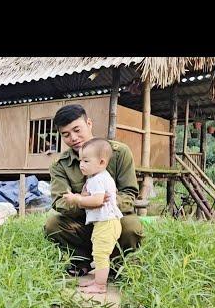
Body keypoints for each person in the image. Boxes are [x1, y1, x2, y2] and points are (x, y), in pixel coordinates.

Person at [45, 104, 143, 276]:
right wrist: (87, 203)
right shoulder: (59, 165)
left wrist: (102, 204)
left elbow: (129, 194)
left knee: (132, 226)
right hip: (83, 223)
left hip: (113, 220)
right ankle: (81, 260)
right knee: (53, 225)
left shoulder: (118, 153)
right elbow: (59, 202)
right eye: (66, 135)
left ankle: (116, 263)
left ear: (89, 123)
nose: (73, 138)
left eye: (77, 130)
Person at [62, 138, 122, 294]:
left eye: (86, 161)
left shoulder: (97, 179)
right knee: (99, 253)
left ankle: (100, 286)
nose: (81, 164)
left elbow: (97, 200)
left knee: (101, 255)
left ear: (101, 162)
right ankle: (97, 281)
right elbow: (92, 196)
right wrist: (83, 196)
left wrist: (77, 199)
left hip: (106, 223)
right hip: (108, 222)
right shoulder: (100, 177)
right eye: (81, 160)